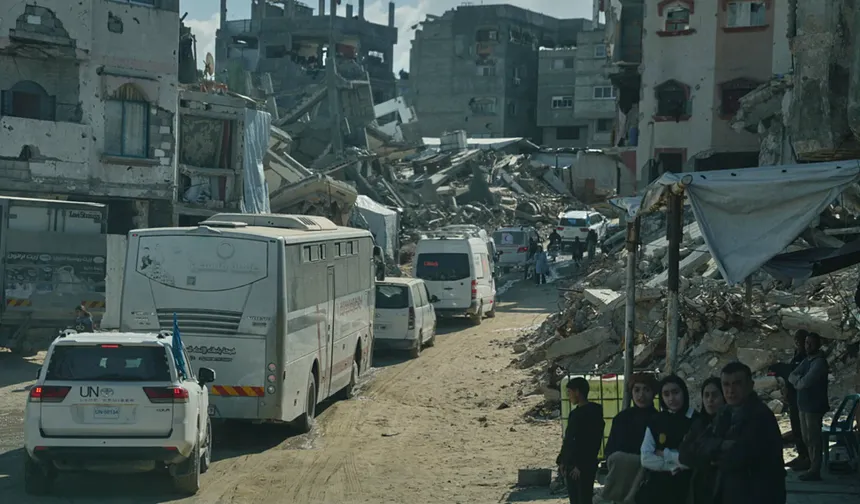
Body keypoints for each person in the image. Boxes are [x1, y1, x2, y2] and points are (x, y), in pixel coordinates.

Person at [710, 361, 786, 503]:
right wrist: (720, 446)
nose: (731, 390)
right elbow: (697, 448)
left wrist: (715, 450)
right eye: (726, 385)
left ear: (750, 385)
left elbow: (736, 457)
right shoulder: (724, 412)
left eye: (737, 384)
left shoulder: (760, 416)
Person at [636, 375, 696, 504]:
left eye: (675, 392)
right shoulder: (656, 420)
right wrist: (672, 466)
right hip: (657, 486)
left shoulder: (696, 420)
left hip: (687, 486)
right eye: (666, 394)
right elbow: (645, 457)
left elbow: (693, 459)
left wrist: (665, 454)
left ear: (684, 392)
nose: (671, 398)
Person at [602, 373, 658, 503]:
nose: (641, 395)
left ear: (653, 393)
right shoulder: (621, 419)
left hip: (649, 485)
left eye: (646, 390)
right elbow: (610, 452)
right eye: (637, 390)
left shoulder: (660, 420)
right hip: (621, 485)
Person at [788, 332, 830, 481]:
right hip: (803, 406)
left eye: (811, 343)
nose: (808, 346)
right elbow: (792, 374)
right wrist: (798, 382)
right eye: (806, 343)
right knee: (807, 438)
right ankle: (812, 466)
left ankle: (815, 469)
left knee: (814, 439)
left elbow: (805, 382)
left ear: (818, 344)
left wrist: (798, 382)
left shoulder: (819, 362)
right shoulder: (807, 360)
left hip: (814, 406)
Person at [557, 377, 605, 504]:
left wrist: (580, 466)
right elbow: (569, 439)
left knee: (584, 498)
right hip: (571, 465)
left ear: (577, 392)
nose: (569, 396)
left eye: (570, 392)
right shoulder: (575, 414)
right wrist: (563, 460)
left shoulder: (593, 413)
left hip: (584, 466)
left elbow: (592, 442)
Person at [678, 377, 725, 504]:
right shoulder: (698, 423)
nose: (710, 400)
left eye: (715, 395)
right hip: (700, 489)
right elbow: (684, 455)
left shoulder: (731, 423)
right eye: (706, 395)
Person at [769, 330, 809, 468]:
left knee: (803, 430)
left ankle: (806, 458)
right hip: (793, 398)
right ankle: (801, 456)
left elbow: (795, 373)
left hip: (803, 400)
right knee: (796, 429)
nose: (798, 343)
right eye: (796, 340)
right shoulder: (797, 354)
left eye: (801, 340)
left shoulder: (808, 358)